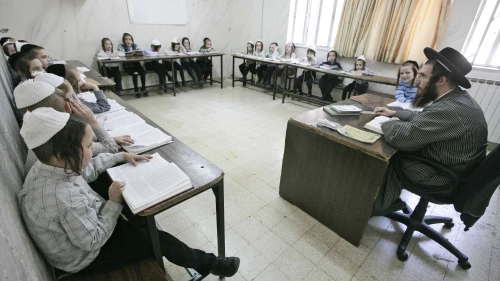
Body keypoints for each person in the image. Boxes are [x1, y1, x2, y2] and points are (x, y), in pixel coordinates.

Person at [18, 107, 240, 277]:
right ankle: (212, 265)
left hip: (83, 229)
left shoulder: (48, 165)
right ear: (61, 155)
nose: (92, 149)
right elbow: (92, 241)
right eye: (88, 147)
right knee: (159, 240)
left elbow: (86, 171)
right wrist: (113, 203)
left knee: (122, 195)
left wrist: (120, 156)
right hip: (87, 257)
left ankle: (139, 226)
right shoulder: (63, 199)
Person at [371, 47, 488, 216]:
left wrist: (388, 122)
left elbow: (400, 137)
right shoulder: (457, 99)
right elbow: (424, 118)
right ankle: (386, 197)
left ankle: (378, 205)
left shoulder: (450, 109)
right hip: (455, 170)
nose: (417, 81)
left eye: (423, 76)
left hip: (445, 178)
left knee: (393, 155)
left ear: (441, 80)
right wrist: (396, 113)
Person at [47, 64, 111, 114]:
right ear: (70, 84)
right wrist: (95, 87)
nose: (83, 82)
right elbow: (104, 106)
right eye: (80, 80)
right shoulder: (73, 101)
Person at [118, 33, 147, 97]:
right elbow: (120, 54)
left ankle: (143, 88)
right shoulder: (121, 46)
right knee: (135, 73)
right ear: (124, 40)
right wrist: (128, 55)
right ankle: (136, 89)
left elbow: (141, 51)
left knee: (143, 72)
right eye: (126, 39)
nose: (128, 41)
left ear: (132, 40)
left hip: (136, 63)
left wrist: (139, 53)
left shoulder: (135, 45)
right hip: (128, 65)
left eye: (130, 39)